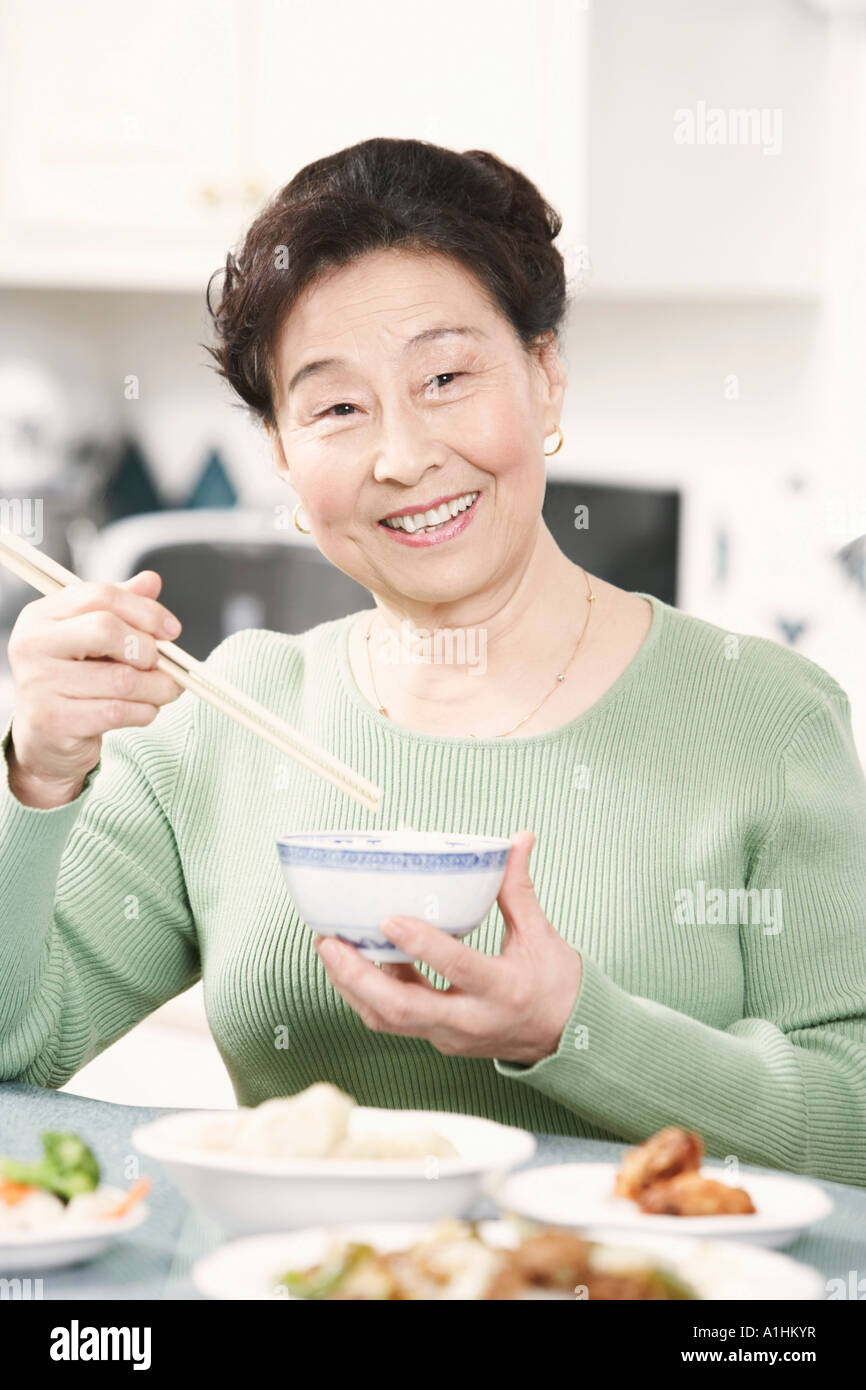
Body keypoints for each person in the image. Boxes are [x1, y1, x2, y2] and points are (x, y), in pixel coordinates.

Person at [2, 139, 865, 1187]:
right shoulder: (229, 710)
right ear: (282, 453)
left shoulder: (759, 718)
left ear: (544, 379)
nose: (402, 455)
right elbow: (21, 1052)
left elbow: (850, 1125)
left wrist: (571, 1028)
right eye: (333, 407)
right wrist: (36, 774)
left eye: (446, 377)